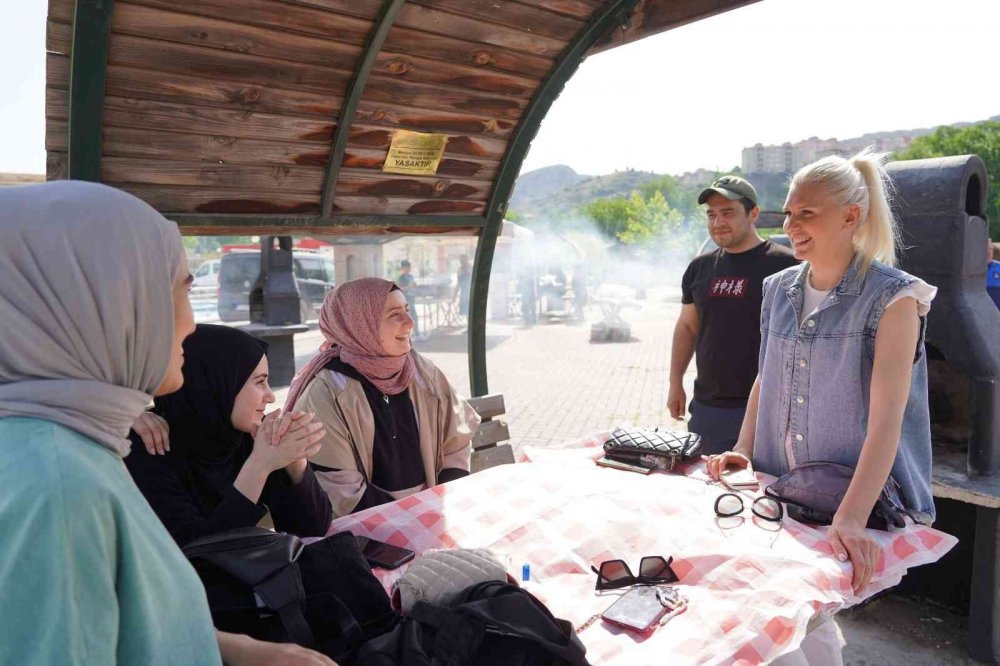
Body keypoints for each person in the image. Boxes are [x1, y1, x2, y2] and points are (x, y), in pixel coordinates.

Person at [0, 181, 336, 666]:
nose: (190, 324)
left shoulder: (73, 445)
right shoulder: (56, 482)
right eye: (176, 293)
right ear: (103, 305)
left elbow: (123, 621)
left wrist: (245, 653)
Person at [708, 151, 938, 664]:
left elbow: (888, 417)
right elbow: (766, 376)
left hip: (855, 499)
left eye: (806, 213)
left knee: (783, 618)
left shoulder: (896, 299)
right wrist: (744, 449)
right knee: (792, 612)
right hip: (782, 487)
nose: (791, 225)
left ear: (850, 216)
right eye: (789, 214)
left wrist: (852, 519)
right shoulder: (777, 289)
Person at [285, 278, 479, 517]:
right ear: (360, 324)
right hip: (366, 533)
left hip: (431, 514)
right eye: (395, 315)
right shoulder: (326, 393)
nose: (410, 323)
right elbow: (343, 491)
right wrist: (410, 520)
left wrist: (443, 504)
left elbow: (455, 442)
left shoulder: (422, 372)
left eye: (407, 311)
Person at [126, 324, 332, 547]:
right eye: (260, 382)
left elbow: (311, 529)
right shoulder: (149, 447)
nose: (271, 397)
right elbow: (201, 553)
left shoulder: (245, 437)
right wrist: (259, 467)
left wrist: (295, 463)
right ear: (217, 383)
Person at [668, 175, 799, 454]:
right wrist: (675, 382)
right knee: (708, 489)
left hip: (770, 408)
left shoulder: (787, 266)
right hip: (710, 409)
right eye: (711, 214)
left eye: (727, 213)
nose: (718, 222)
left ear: (753, 214)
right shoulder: (699, 269)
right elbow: (688, 327)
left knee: (764, 492)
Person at [396, 259, 423, 340]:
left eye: (409, 267)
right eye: (406, 267)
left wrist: (415, 288)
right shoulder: (401, 278)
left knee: (414, 317)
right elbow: (400, 289)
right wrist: (409, 286)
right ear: (403, 268)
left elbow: (413, 286)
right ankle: (407, 335)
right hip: (406, 299)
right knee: (408, 318)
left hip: (412, 298)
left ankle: (416, 334)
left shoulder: (411, 276)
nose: (408, 268)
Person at [454, 254, 472, 319]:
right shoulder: (459, 270)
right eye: (461, 260)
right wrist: (454, 296)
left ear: (466, 260)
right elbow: (458, 283)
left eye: (463, 260)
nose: (462, 262)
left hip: (471, 293)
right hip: (464, 294)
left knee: (471, 311)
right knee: (466, 312)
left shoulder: (471, 269)